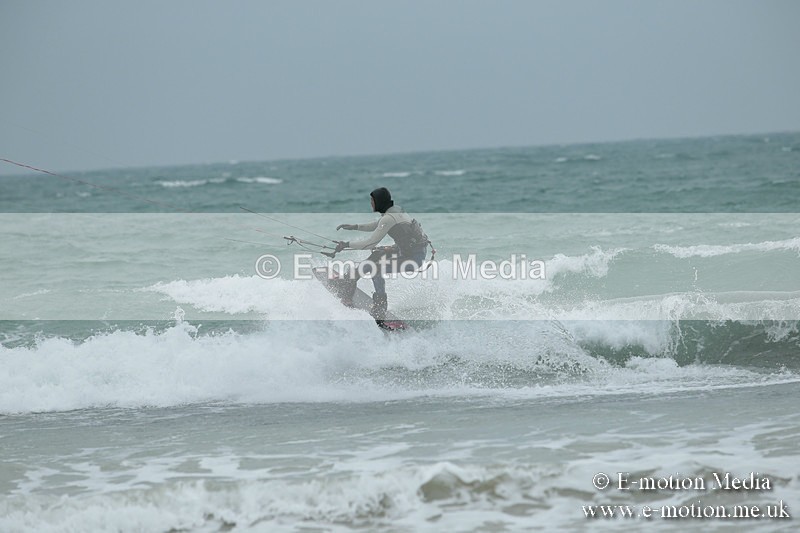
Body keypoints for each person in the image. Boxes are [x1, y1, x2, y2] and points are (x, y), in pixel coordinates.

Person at [334, 187, 429, 322]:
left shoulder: (389, 218)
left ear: (379, 201)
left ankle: (380, 306)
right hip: (409, 251)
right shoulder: (396, 211)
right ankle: (350, 281)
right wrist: (355, 226)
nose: (371, 203)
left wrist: (346, 244)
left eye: (372, 201)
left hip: (413, 258)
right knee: (377, 255)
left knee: (375, 268)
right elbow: (377, 225)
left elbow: (370, 243)